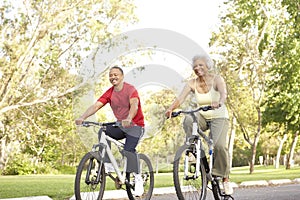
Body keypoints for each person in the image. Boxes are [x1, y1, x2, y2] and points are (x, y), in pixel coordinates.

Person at [165, 54, 233, 195]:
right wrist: (171, 108)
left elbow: (223, 93)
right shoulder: (192, 83)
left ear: (208, 66)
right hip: (202, 114)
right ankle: (194, 151)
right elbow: (180, 98)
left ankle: (224, 179)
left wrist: (219, 102)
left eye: (201, 65)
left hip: (219, 116)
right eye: (195, 66)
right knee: (189, 119)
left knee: (219, 146)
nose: (197, 68)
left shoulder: (217, 79)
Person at [75, 66, 145, 196]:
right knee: (103, 131)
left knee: (128, 151)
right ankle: (106, 164)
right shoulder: (110, 92)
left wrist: (129, 118)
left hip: (135, 126)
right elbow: (97, 105)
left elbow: (134, 104)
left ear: (122, 76)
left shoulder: (130, 89)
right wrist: (83, 117)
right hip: (121, 126)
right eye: (111, 75)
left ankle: (138, 178)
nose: (113, 77)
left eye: (116, 75)